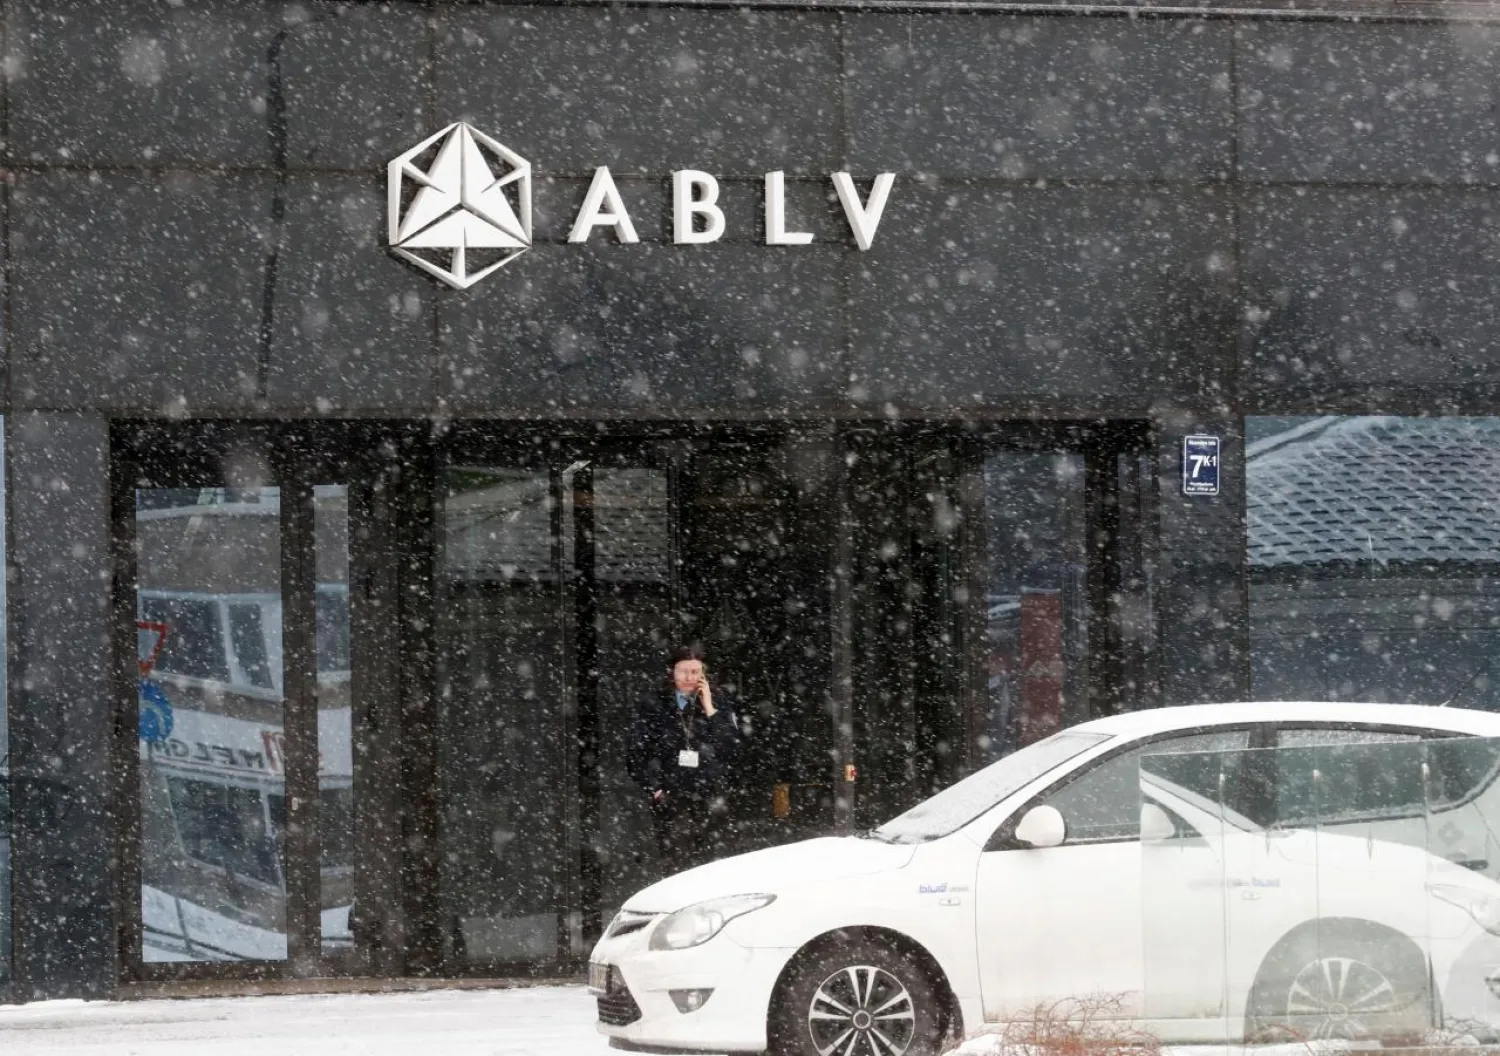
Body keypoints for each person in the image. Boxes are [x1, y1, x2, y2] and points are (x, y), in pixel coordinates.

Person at [626, 644, 740, 876]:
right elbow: (637, 751)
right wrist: (655, 787)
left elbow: (730, 748)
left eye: (696, 671)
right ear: (672, 672)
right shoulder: (654, 704)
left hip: (710, 792)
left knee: (711, 862)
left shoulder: (717, 701)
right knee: (673, 862)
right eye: (684, 671)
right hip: (670, 793)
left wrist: (709, 707)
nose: (690, 677)